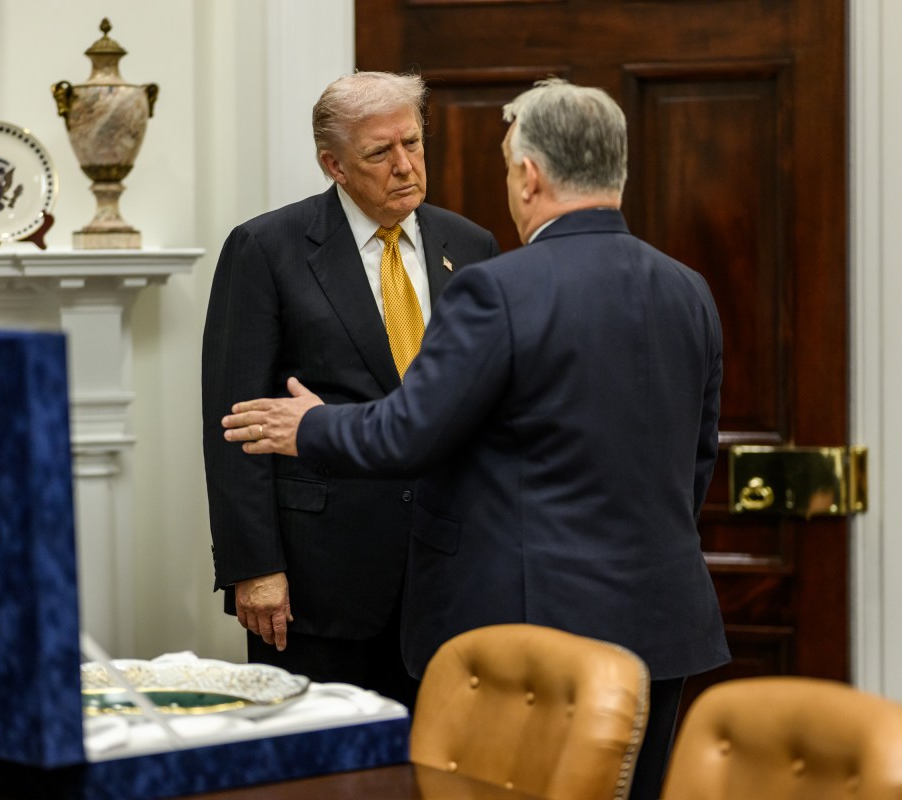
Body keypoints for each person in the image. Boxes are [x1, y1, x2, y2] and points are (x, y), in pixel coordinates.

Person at [220, 78, 730, 800]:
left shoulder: (497, 282)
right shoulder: (690, 288)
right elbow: (698, 458)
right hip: (662, 616)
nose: (405, 163)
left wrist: (309, 425)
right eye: (383, 151)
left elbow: (412, 427)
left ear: (530, 175)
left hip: (538, 625)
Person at [200, 71, 500, 711]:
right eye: (379, 153)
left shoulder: (472, 246)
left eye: (412, 143)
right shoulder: (266, 249)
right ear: (333, 164)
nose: (405, 166)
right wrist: (254, 567)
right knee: (324, 755)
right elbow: (235, 423)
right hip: (321, 580)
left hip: (452, 570)